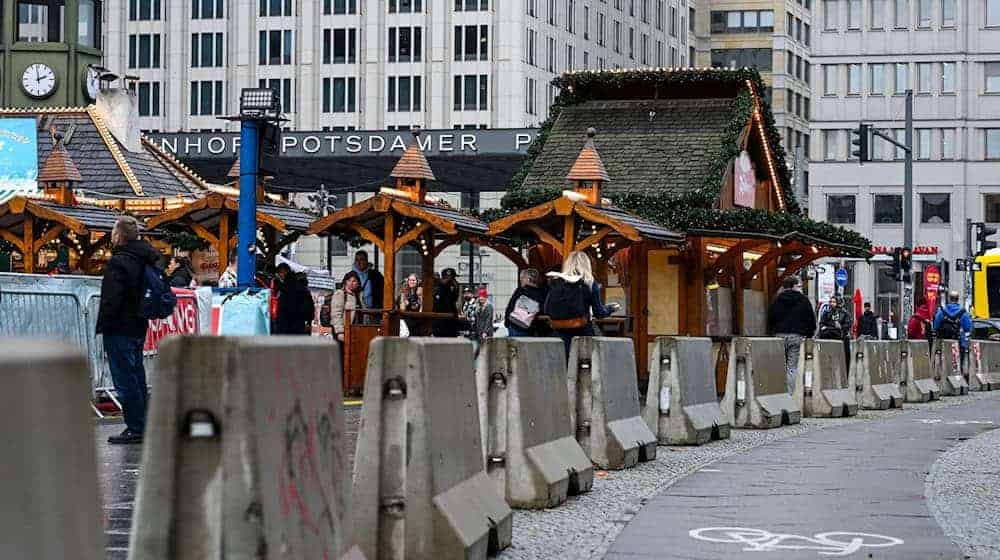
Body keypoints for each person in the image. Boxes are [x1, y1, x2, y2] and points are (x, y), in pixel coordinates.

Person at [96, 216, 161, 445]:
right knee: (137, 375)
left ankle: (135, 426)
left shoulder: (119, 262)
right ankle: (143, 422)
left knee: (125, 378)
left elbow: (112, 299)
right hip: (139, 324)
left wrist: (105, 322)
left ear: (118, 235)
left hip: (120, 327)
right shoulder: (145, 259)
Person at [544, 251, 619, 358]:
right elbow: (599, 313)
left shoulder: (557, 281)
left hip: (559, 331)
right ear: (586, 265)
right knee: (586, 364)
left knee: (563, 364)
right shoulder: (589, 282)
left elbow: (546, 307)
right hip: (582, 331)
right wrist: (611, 308)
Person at [766, 275, 817, 395]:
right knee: (792, 367)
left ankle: (778, 394)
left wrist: (772, 332)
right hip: (796, 336)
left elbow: (770, 317)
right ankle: (790, 395)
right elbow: (810, 319)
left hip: (779, 336)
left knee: (779, 366)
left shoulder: (777, 299)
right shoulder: (803, 300)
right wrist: (809, 334)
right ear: (794, 286)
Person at [933, 291, 972, 371]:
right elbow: (967, 328)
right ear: (958, 299)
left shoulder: (941, 312)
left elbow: (936, 326)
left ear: (949, 299)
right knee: (958, 366)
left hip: (943, 343)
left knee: (943, 366)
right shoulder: (963, 313)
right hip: (958, 342)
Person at [272, 263, 315, 335]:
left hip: (286, 326)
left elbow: (283, 307)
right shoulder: (301, 287)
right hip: (299, 325)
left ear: (283, 272)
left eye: (279, 273)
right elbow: (309, 306)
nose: (279, 276)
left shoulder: (284, 287)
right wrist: (308, 321)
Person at [505, 268, 548, 337]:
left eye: (523, 278)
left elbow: (510, 306)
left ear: (528, 279)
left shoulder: (521, 290)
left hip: (514, 325)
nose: (521, 280)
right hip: (529, 328)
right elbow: (541, 311)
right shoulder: (541, 293)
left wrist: (507, 323)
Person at [818, 295, 853, 372]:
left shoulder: (844, 313)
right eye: (830, 302)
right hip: (829, 338)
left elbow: (847, 325)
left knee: (844, 358)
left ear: (838, 303)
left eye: (834, 302)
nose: (832, 303)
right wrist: (830, 327)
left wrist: (840, 327)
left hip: (841, 339)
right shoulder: (826, 313)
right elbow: (822, 324)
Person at [328, 271, 363, 342]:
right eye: (349, 280)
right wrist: (340, 332)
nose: (351, 283)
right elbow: (336, 314)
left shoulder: (358, 295)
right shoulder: (340, 294)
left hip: (355, 330)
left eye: (354, 281)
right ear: (345, 282)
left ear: (358, 283)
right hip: (343, 331)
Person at [432, 268, 462, 337]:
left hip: (446, 323)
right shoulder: (441, 288)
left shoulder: (438, 287)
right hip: (443, 323)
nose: (455, 282)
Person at [471, 288, 495, 356]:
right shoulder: (478, 307)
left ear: (485, 297)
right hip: (479, 332)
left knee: (485, 351)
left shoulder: (489, 306)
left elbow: (488, 319)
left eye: (482, 297)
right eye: (480, 297)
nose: (481, 299)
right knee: (479, 350)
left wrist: (485, 331)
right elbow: (476, 320)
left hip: (486, 332)